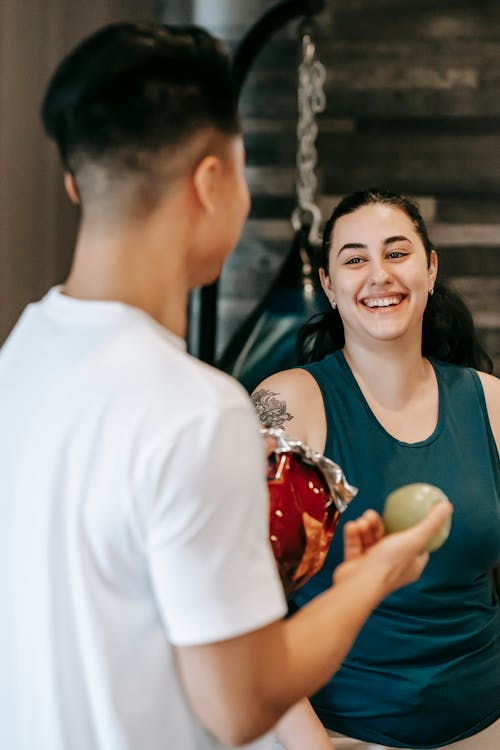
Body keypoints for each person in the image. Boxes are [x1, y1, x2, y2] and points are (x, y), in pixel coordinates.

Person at [0, 25, 452, 750]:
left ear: (74, 182)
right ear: (212, 182)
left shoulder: (19, 359)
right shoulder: (195, 409)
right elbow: (242, 704)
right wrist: (373, 578)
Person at [252, 188, 500, 750]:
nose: (378, 274)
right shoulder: (289, 405)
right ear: (329, 285)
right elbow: (246, 601)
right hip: (336, 733)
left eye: (397, 252)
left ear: (431, 270)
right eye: (355, 258)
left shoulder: (489, 403)